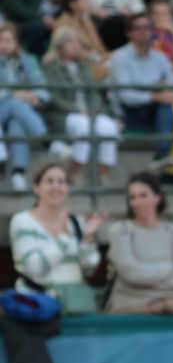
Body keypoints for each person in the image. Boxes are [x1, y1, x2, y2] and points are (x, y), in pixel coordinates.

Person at [9, 159, 103, 310]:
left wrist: (87, 239)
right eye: (49, 181)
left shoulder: (76, 222)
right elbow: (33, 268)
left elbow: (89, 269)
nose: (56, 186)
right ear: (36, 188)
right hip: (37, 307)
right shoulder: (22, 221)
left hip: (76, 306)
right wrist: (63, 237)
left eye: (62, 182)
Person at [104, 172, 173, 314]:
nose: (137, 202)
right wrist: (168, 267)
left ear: (157, 198)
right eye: (132, 197)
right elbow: (130, 273)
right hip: (130, 309)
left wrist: (160, 300)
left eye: (143, 195)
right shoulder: (120, 230)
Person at [42, 26, 116, 180]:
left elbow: (94, 94)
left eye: (78, 43)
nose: (76, 47)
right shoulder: (50, 67)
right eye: (71, 43)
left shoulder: (84, 67)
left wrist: (93, 111)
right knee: (84, 126)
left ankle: (103, 173)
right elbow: (54, 98)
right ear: (60, 46)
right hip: (64, 115)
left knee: (109, 127)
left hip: (89, 113)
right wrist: (78, 110)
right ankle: (75, 172)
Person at [106, 12, 173, 165]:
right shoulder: (120, 57)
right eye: (138, 28)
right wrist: (156, 95)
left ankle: (163, 156)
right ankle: (163, 154)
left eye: (147, 27)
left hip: (157, 112)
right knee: (165, 106)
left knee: (168, 108)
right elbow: (126, 96)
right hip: (130, 113)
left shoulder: (161, 58)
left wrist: (166, 95)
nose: (143, 31)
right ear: (129, 33)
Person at [0, 21, 50, 191]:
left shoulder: (27, 60)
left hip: (21, 112)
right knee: (15, 103)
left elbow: (42, 85)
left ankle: (18, 172)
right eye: (1, 40)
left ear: (16, 43)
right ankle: (45, 139)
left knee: (17, 124)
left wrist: (36, 97)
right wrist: (13, 94)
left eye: (9, 41)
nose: (4, 45)